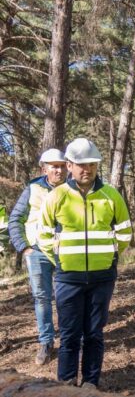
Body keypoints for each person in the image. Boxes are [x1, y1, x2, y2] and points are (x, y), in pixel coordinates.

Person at [37, 139, 131, 389]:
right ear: (69, 165)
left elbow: (124, 233)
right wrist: (59, 261)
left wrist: (110, 257)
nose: (86, 169)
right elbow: (43, 235)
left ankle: (91, 383)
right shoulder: (57, 196)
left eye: (91, 164)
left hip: (102, 278)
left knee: (94, 334)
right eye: (80, 164)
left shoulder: (111, 195)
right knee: (69, 336)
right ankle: (67, 384)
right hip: (68, 278)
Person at [8, 149, 68, 365]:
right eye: (54, 166)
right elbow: (15, 219)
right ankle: (46, 341)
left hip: (65, 252)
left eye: (61, 166)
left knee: (65, 296)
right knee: (42, 298)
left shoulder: (73, 189)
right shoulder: (33, 188)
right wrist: (24, 248)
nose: (58, 170)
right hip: (37, 252)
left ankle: (69, 339)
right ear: (44, 168)